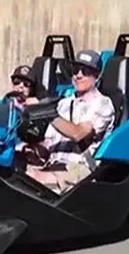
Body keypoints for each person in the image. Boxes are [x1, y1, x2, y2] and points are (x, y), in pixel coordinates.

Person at [22, 49, 115, 193]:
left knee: (33, 180)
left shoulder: (103, 104)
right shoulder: (63, 104)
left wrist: (46, 112)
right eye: (75, 70)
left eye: (85, 71)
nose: (78, 75)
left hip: (80, 168)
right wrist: (31, 150)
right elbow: (48, 145)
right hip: (53, 164)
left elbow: (78, 133)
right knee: (16, 172)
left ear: (96, 76)